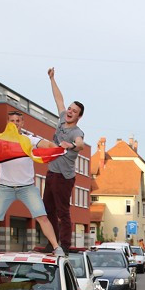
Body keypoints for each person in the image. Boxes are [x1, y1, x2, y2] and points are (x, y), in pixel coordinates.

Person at [0, 108, 66, 257]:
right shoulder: (0, 140)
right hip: (5, 187)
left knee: (42, 216)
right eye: (12, 121)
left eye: (18, 121)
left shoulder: (29, 140)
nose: (15, 124)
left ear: (22, 123)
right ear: (8, 123)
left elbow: (46, 145)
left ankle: (56, 247)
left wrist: (57, 148)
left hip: (27, 187)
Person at [41, 67, 86, 253]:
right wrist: (52, 79)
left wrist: (72, 146)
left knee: (62, 211)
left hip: (64, 177)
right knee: (47, 209)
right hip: (52, 172)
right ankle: (52, 242)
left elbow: (81, 144)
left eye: (74, 111)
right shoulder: (61, 119)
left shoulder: (77, 132)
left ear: (78, 116)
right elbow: (58, 99)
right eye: (69, 109)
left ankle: (65, 244)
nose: (69, 111)